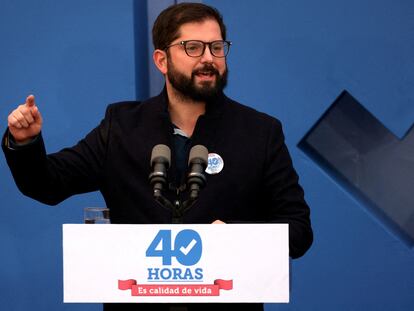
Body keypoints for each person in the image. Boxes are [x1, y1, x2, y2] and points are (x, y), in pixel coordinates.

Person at [2, 3, 312, 311]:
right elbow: (47, 184)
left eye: (217, 47)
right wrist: (25, 142)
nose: (208, 58)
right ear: (161, 60)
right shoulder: (122, 126)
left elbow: (298, 230)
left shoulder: (260, 131)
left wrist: (237, 237)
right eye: (193, 47)